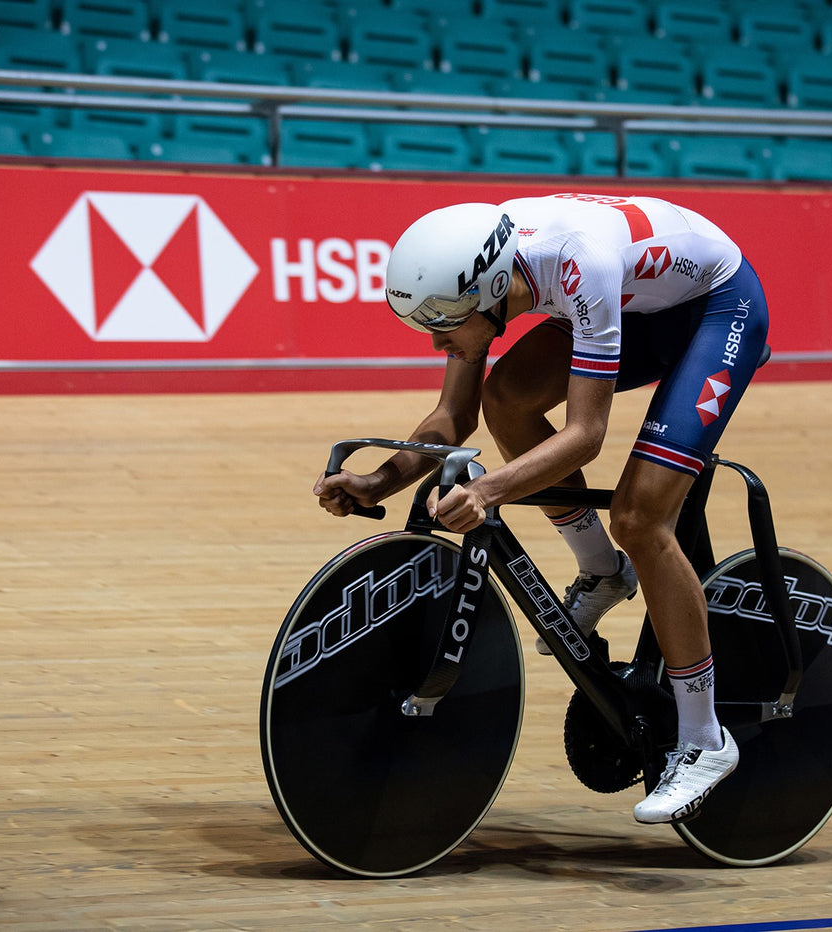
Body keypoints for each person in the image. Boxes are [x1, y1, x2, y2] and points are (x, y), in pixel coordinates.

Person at [314, 193, 769, 825]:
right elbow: (454, 418)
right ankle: (603, 572)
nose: (439, 341)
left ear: (491, 291)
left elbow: (585, 435)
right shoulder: (480, 274)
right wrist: (378, 483)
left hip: (718, 309)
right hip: (639, 303)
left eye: (445, 326)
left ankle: (704, 739)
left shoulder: (580, 263)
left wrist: (488, 490)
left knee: (641, 518)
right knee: (507, 399)